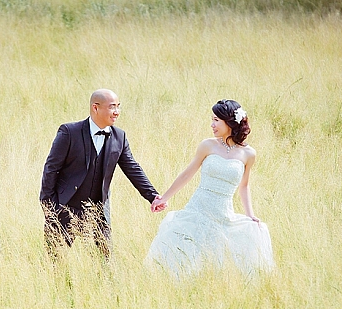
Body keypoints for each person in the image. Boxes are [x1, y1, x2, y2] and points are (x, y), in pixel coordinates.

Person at [146, 99, 274, 277]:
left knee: (219, 257)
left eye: (216, 120)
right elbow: (187, 174)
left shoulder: (248, 154)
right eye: (212, 120)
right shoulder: (208, 145)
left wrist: (250, 214)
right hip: (198, 207)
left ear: (229, 122)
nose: (212, 125)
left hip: (224, 212)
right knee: (186, 252)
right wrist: (164, 198)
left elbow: (244, 186)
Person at [40, 89, 164, 259]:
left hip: (99, 211)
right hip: (65, 207)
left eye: (118, 106)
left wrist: (153, 196)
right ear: (95, 108)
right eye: (112, 107)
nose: (117, 112)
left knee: (105, 261)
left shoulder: (119, 137)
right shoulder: (69, 132)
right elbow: (51, 168)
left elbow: (132, 168)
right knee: (55, 260)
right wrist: (49, 206)